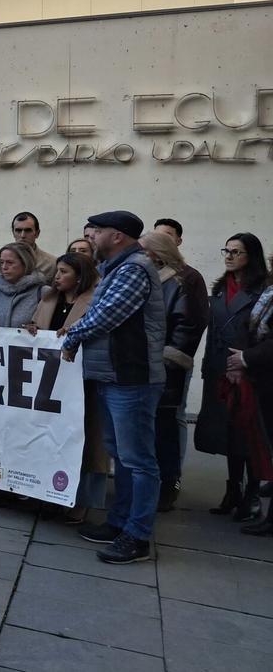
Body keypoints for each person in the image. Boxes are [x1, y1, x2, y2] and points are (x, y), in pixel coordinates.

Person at [62, 211, 166, 565]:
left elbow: (106, 314)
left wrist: (72, 336)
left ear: (117, 236)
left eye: (97, 230)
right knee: (121, 456)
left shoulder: (134, 269)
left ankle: (138, 536)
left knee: (138, 460)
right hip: (114, 376)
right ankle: (120, 522)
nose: (91, 235)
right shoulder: (116, 268)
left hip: (131, 378)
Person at [196, 232, 268, 522]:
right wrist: (207, 367)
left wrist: (247, 360)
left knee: (248, 433)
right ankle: (233, 489)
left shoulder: (263, 291)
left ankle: (252, 494)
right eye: (226, 250)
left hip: (249, 371)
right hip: (219, 368)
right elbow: (213, 330)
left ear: (251, 256)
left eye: (236, 252)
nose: (229, 256)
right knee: (227, 432)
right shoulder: (220, 288)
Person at [27, 252, 104, 523]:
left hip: (82, 382)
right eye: (57, 270)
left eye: (64, 272)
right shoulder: (48, 298)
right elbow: (36, 326)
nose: (57, 276)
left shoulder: (95, 301)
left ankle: (82, 502)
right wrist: (31, 330)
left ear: (80, 277)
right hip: (49, 383)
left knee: (86, 440)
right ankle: (47, 493)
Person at [139, 230, 208, 511]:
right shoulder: (145, 274)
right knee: (146, 428)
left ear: (157, 252)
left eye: (143, 250)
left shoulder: (187, 278)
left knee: (165, 427)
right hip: (142, 364)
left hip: (166, 365)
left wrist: (167, 356)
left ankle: (169, 484)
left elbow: (190, 323)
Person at [225, 255, 273, 536]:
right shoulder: (269, 291)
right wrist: (241, 358)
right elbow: (251, 327)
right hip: (261, 376)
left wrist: (246, 358)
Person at [11, 212, 57, 280]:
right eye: (18, 230)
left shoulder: (51, 263)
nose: (22, 235)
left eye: (28, 230)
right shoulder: (3, 261)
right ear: (13, 233)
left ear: (37, 233)